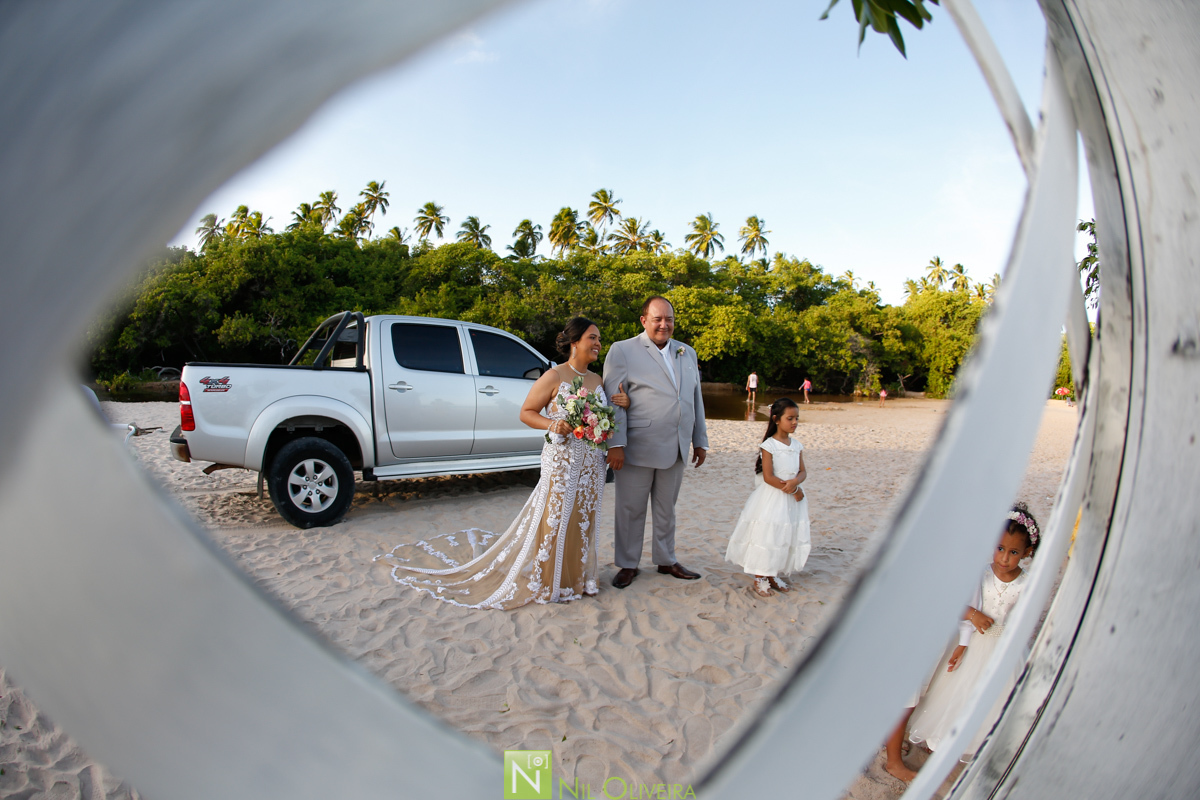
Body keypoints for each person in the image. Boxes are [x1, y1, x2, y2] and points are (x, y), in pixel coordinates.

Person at [375, 317, 629, 609]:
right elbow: (526, 412)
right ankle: (549, 582)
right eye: (592, 338)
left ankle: (575, 579)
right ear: (575, 342)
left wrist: (623, 406)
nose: (598, 343)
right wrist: (552, 424)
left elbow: (604, 419)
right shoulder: (554, 376)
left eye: (598, 338)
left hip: (591, 464)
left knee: (582, 519)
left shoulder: (597, 380)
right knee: (555, 518)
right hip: (562, 460)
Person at [907, 504, 1040, 759]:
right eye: (1000, 548)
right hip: (970, 643)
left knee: (994, 698)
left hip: (1004, 646)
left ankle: (981, 745)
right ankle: (942, 741)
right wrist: (973, 614)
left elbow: (1026, 618)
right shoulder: (980, 572)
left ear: (1026, 552)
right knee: (957, 692)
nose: (1004, 558)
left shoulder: (1027, 583)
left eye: (1013, 552)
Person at [602, 296, 708, 589]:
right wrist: (616, 444)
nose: (664, 324)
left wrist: (700, 440)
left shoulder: (688, 353)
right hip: (636, 445)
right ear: (644, 320)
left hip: (676, 445)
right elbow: (614, 400)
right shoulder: (622, 350)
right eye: (658, 319)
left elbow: (693, 399)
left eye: (669, 319)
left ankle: (666, 559)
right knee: (630, 509)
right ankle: (627, 563)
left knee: (667, 508)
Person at [724, 398, 811, 597]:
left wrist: (796, 482)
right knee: (768, 534)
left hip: (790, 498)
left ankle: (773, 573)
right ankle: (760, 575)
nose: (795, 422)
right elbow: (768, 477)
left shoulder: (796, 445)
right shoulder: (769, 445)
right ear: (776, 419)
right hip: (773, 498)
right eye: (790, 418)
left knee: (784, 535)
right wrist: (792, 489)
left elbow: (803, 471)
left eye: (797, 418)